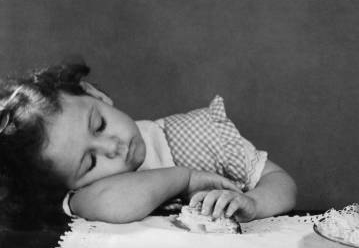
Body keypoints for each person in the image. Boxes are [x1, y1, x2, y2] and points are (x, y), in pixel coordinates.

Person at [0, 62, 297, 225]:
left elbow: (281, 182)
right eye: (90, 162)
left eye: (99, 124)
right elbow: (115, 204)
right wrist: (185, 177)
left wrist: (255, 203)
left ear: (95, 94)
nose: (112, 147)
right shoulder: (91, 194)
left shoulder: (196, 134)